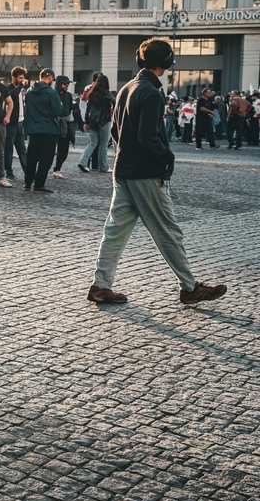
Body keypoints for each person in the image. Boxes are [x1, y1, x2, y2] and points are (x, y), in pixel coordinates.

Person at [87, 38, 227, 306]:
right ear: (166, 63)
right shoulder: (151, 93)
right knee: (168, 231)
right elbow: (148, 136)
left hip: (123, 169)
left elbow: (117, 132)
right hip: (145, 173)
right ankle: (189, 287)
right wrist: (166, 158)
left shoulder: (127, 88)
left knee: (115, 231)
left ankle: (100, 285)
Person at [22, 69, 61, 193]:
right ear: (49, 78)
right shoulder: (51, 92)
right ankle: (39, 184)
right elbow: (56, 111)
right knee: (46, 157)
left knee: (32, 156)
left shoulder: (29, 91)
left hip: (33, 128)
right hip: (49, 128)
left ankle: (28, 183)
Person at [78, 75, 113, 174]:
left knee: (92, 143)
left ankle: (82, 161)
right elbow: (115, 102)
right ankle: (103, 166)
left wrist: (86, 122)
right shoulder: (107, 94)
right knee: (103, 144)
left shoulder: (91, 93)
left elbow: (88, 110)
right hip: (103, 121)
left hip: (93, 121)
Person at [4, 66, 28, 180]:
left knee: (22, 149)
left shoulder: (20, 89)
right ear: (13, 77)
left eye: (23, 78)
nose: (22, 80)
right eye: (20, 78)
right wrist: (21, 85)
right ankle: (8, 171)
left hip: (20, 123)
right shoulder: (9, 88)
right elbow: (13, 94)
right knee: (8, 148)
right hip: (11, 123)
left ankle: (27, 171)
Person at [51, 76, 75, 180]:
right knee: (49, 149)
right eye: (65, 84)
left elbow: (69, 109)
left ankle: (57, 168)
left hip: (65, 124)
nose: (67, 86)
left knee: (64, 149)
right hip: (53, 123)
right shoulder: (52, 94)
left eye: (68, 84)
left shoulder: (69, 96)